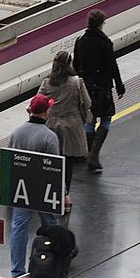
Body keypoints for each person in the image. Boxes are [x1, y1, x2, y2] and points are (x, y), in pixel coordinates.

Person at [8, 94, 62, 278]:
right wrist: (62, 193)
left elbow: (11, 162)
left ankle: (17, 271)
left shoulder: (16, 133)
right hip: (43, 191)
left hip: (21, 189)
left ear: (30, 110)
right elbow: (54, 170)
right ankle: (53, 266)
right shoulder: (50, 137)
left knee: (19, 227)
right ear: (47, 112)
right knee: (51, 225)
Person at [73, 9, 125, 173]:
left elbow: (76, 65)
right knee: (106, 118)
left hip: (86, 87)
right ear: (101, 24)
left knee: (90, 119)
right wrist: (119, 85)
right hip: (103, 87)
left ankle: (88, 152)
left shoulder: (80, 41)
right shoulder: (105, 42)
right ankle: (94, 154)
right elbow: (112, 66)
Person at [37, 51, 91, 193]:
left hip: (51, 125)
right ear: (69, 64)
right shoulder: (76, 82)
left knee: (52, 161)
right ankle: (64, 193)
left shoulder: (46, 82)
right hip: (72, 126)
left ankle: (50, 191)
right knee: (67, 163)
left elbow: (37, 102)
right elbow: (88, 103)